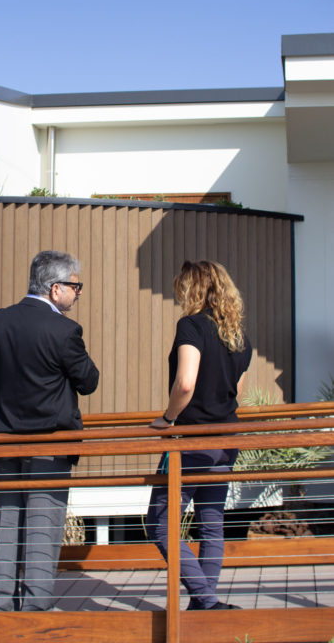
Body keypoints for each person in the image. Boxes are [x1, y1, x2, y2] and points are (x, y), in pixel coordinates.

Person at [0, 250, 99, 612]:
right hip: (50, 442)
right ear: (55, 288)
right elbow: (89, 381)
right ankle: (35, 608)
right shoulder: (63, 330)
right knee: (42, 530)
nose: (78, 293)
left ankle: (0, 606)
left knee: (6, 524)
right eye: (76, 286)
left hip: (4, 440)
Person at [146, 260, 252, 611]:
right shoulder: (238, 337)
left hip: (192, 442)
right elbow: (234, 390)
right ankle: (206, 609)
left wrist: (168, 418)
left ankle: (205, 601)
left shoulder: (191, 326)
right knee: (211, 524)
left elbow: (186, 382)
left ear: (192, 290)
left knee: (160, 523)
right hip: (226, 440)